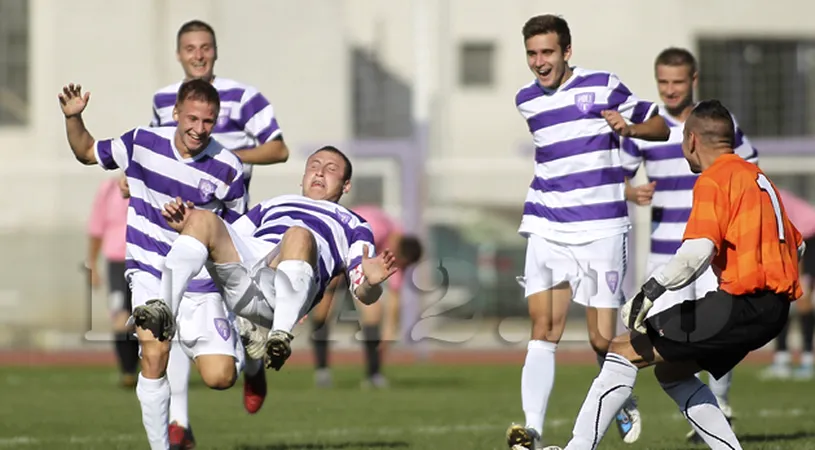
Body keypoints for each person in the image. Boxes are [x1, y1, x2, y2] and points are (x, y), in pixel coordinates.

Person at [542, 100, 804, 450]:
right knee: (672, 371)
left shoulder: (715, 178)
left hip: (741, 303)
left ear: (692, 140)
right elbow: (796, 246)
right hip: (774, 310)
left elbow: (696, 252)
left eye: (683, 142)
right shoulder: (757, 178)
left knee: (622, 348)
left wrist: (647, 293)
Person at [506, 14, 670, 450]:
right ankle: (531, 431)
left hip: (600, 227)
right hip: (546, 224)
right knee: (544, 329)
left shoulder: (603, 85)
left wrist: (629, 129)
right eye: (532, 53)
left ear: (567, 51)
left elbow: (660, 125)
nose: (540, 62)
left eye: (548, 52)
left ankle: (623, 391)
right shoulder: (525, 99)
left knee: (601, 337)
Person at [59, 79, 250, 450]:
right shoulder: (142, 143)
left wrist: (195, 226)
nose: (198, 128)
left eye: (208, 122)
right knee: (155, 352)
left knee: (220, 377)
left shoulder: (228, 168)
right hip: (149, 271)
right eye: (191, 118)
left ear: (216, 121)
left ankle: (236, 341)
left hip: (201, 284)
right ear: (176, 113)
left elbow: (236, 235)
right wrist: (74, 118)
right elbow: (85, 151)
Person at [149, 19, 290, 444]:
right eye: (189, 48)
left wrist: (221, 156)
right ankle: (180, 424)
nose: (197, 54)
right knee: (165, 315)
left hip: (231, 224)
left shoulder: (245, 98)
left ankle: (252, 363)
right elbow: (157, 149)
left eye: (205, 47)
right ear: (178, 54)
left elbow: (278, 148)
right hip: (175, 223)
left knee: (239, 309)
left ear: (214, 51)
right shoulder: (162, 100)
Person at [155, 146, 398, 374]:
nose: (320, 172)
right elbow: (231, 235)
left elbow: (363, 292)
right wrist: (191, 227)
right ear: (302, 177)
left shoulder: (355, 224)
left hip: (290, 290)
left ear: (346, 186)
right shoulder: (274, 203)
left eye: (331, 168)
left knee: (297, 234)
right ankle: (163, 308)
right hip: (246, 274)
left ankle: (279, 335)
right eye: (314, 165)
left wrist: (372, 284)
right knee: (203, 218)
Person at [620, 47, 759, 442]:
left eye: (677, 81)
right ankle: (700, 415)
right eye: (663, 81)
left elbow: (749, 172)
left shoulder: (716, 124)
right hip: (666, 250)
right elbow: (620, 179)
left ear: (693, 79)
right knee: (664, 337)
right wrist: (632, 192)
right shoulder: (645, 128)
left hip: (712, 250)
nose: (669, 89)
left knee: (716, 329)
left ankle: (721, 407)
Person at [308, 204, 424, 389]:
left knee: (373, 314)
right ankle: (322, 370)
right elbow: (343, 246)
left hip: (359, 263)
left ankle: (373, 374)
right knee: (323, 312)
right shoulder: (376, 230)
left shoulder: (398, 249)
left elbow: (394, 295)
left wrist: (389, 331)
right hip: (337, 250)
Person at [86, 173, 139, 388]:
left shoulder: (150, 183)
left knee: (145, 317)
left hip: (144, 260)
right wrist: (92, 263)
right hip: (117, 262)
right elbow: (96, 228)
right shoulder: (108, 189)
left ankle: (153, 369)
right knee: (120, 317)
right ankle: (128, 371)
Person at [760, 188, 815, 380]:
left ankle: (807, 359)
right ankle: (783, 358)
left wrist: (798, 278)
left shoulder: (767, 197)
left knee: (802, 299)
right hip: (801, 239)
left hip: (808, 239)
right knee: (784, 297)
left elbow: (794, 238)